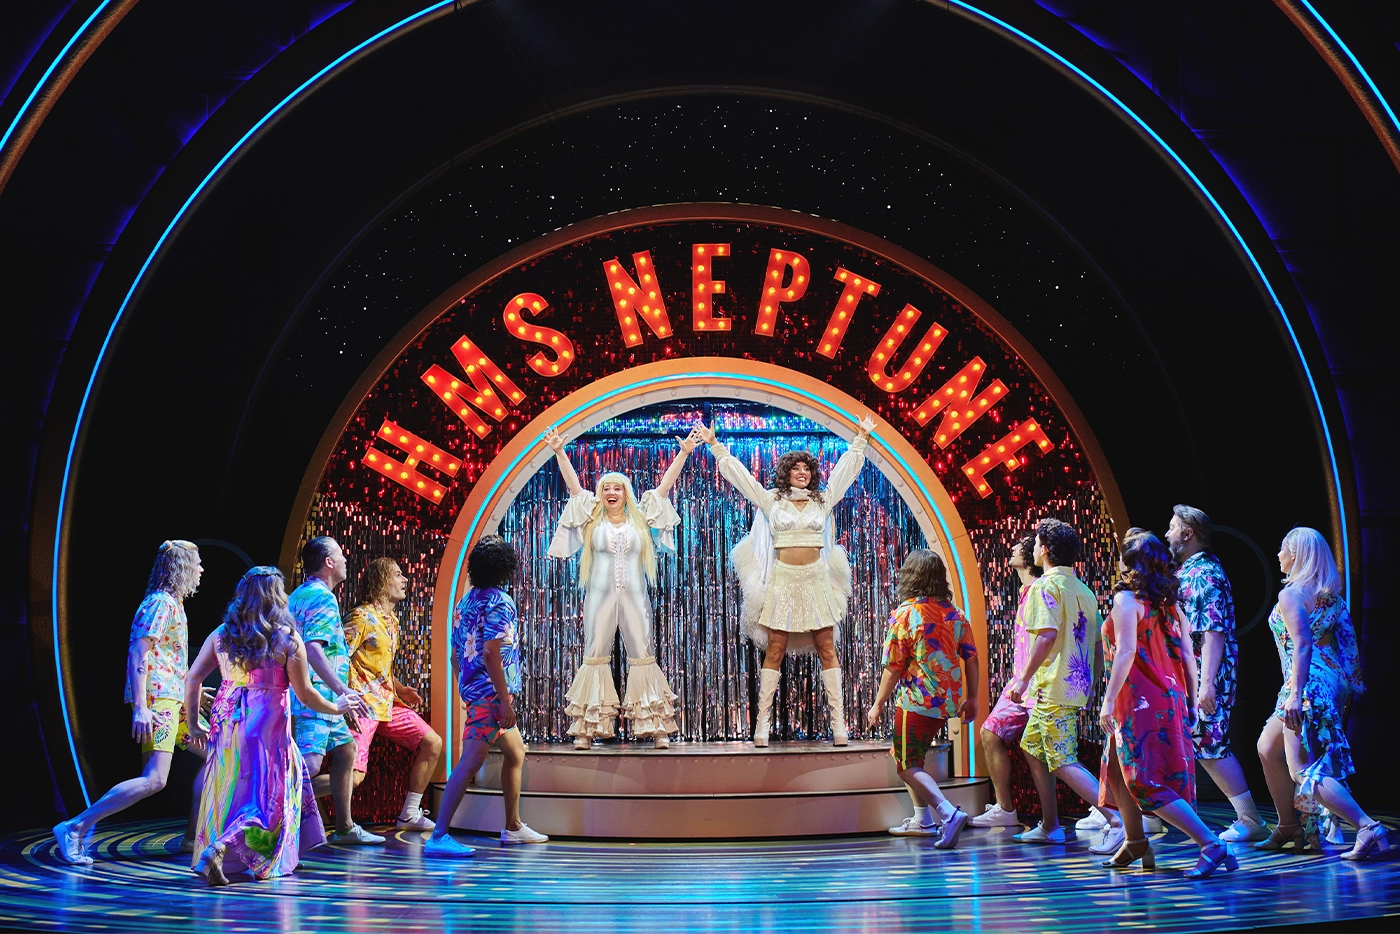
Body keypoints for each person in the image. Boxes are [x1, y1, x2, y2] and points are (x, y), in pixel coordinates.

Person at [699, 414, 877, 746]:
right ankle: (762, 726)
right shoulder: (772, 500)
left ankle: (840, 724)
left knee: (827, 647)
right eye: (795, 468)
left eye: (806, 468)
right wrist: (715, 446)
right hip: (783, 579)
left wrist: (861, 438)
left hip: (814, 579)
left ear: (811, 474)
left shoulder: (822, 501)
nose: (801, 472)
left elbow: (843, 475)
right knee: (775, 648)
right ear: (786, 473)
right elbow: (743, 480)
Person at [183, 567, 367, 885]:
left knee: (234, 793)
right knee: (268, 799)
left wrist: (193, 723)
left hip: (227, 721)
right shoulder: (285, 638)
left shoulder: (223, 634)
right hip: (265, 724)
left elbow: (193, 677)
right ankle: (221, 848)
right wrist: (336, 707)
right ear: (277, 597)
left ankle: (258, 856)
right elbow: (306, 694)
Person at [52, 540, 210, 864]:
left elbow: (166, 658)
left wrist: (190, 690)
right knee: (155, 779)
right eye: (196, 563)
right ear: (182, 567)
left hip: (173, 699)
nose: (201, 570)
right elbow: (139, 652)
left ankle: (193, 838)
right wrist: (141, 705)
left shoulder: (174, 605)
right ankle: (74, 827)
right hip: (159, 701)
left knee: (218, 753)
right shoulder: (161, 603)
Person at [544, 426, 699, 749]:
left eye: (618, 487)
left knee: (642, 655)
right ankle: (587, 730)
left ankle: (656, 728)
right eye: (606, 488)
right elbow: (574, 488)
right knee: (595, 655)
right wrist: (559, 452)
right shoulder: (591, 518)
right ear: (600, 494)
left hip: (634, 598)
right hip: (599, 598)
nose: (611, 492)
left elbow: (664, 489)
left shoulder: (640, 520)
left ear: (626, 492)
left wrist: (683, 454)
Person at [1097, 533, 1237, 878]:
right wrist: (1189, 703)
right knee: (1116, 769)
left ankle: (1210, 843)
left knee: (1146, 780)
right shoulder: (1170, 605)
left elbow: (1126, 652)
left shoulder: (1125, 600)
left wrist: (1108, 700)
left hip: (1138, 700)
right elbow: (1188, 658)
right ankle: (1135, 841)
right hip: (1167, 697)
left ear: (1131, 564)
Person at [1254, 527, 1387, 860]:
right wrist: (1345, 685)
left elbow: (1302, 644)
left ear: (1297, 554)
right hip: (1326, 680)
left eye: (1283, 548)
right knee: (1267, 748)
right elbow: (1347, 646)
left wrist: (1296, 695)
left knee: (1303, 769)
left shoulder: (1292, 595)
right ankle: (1288, 824)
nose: (1279, 554)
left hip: (1305, 684)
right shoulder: (1329, 595)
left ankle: (1367, 826)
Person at [1003, 518, 1123, 845]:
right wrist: (1091, 682)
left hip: (1053, 685)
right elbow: (1099, 645)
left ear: (1044, 550)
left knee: (1062, 759)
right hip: (1072, 686)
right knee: (1032, 746)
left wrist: (1022, 681)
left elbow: (1046, 637)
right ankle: (1050, 824)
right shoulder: (1083, 590)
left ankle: (1118, 820)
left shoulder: (1044, 587)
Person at [427, 535, 548, 856]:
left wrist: (465, 688)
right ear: (505, 568)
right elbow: (493, 653)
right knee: (470, 761)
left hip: (477, 693)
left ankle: (512, 827)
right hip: (491, 697)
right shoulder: (500, 602)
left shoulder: (465, 602)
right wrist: (504, 700)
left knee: (516, 752)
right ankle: (438, 836)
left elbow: (456, 656)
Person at [1167, 505, 1267, 843]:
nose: (1167, 534)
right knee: (1195, 745)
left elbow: (1213, 631)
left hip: (1205, 677)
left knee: (1210, 745)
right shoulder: (1188, 571)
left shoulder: (1204, 573)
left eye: (1172, 528)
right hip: (1190, 677)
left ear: (1188, 533)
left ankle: (1250, 819)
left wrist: (1206, 685)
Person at [868, 549, 979, 847]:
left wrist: (878, 703)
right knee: (909, 757)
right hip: (945, 701)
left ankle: (947, 812)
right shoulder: (955, 614)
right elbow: (971, 658)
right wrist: (973, 698)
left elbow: (893, 667)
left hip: (916, 701)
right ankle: (923, 819)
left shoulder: (906, 614)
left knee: (906, 764)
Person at [288, 536, 383, 844]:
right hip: (316, 697)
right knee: (310, 764)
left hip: (327, 701)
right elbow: (313, 649)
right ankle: (273, 818)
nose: (345, 560)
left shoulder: (299, 595)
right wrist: (342, 689)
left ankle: (345, 827)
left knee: (346, 751)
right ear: (328, 562)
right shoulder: (322, 597)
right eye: (340, 555)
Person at [344, 557, 443, 830]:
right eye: (398, 575)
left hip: (387, 704)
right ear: (381, 581)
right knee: (354, 778)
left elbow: (379, 666)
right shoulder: (361, 617)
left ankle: (409, 813)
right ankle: (294, 796)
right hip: (362, 706)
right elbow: (337, 659)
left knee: (432, 742)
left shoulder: (392, 622)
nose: (405, 580)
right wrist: (343, 700)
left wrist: (399, 688)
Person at [969, 535, 1041, 828]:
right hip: (1020, 682)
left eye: (1019, 547)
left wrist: (1026, 679)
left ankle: (1106, 810)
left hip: (1038, 683)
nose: (1010, 548)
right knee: (990, 734)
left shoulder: (1040, 590)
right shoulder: (1026, 592)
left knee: (1049, 752)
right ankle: (1005, 809)